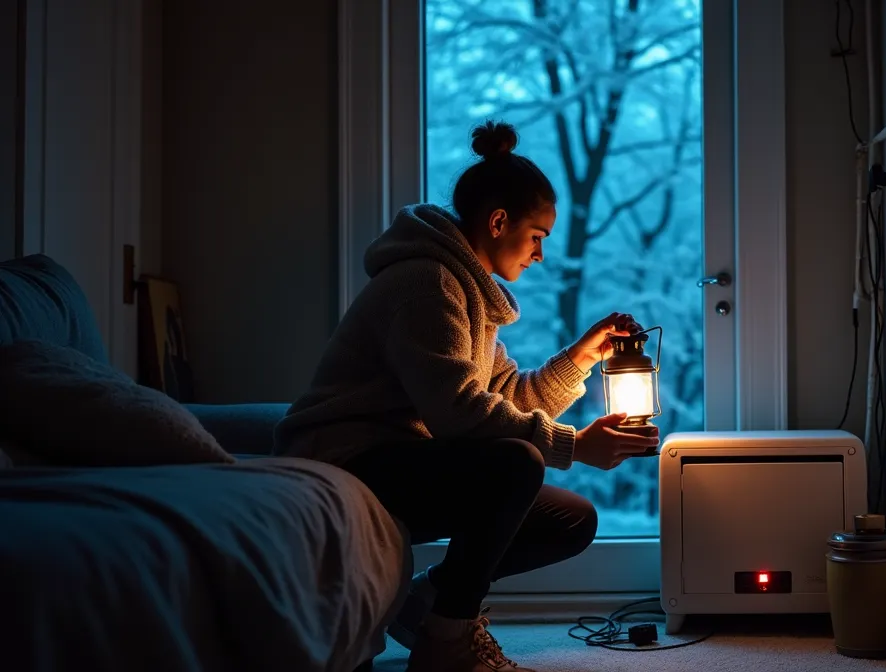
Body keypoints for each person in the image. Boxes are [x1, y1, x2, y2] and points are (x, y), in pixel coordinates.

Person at [273, 120, 661, 672]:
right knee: (514, 464)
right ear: (499, 222)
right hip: (346, 461)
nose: (540, 255)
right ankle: (447, 642)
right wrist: (573, 447)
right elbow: (459, 413)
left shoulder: (464, 290)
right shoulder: (427, 284)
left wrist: (581, 356)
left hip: (400, 458)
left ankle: (428, 605)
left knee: (572, 520)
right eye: (538, 237)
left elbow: (505, 396)